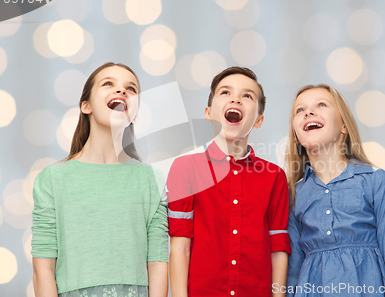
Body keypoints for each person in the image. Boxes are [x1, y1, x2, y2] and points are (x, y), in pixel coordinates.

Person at [31, 62, 168, 297]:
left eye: (131, 89)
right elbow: (43, 268)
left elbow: (157, 264)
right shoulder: (52, 179)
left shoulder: (151, 180)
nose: (122, 91)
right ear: (86, 106)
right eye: (108, 84)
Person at [168, 66, 291, 297]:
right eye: (225, 92)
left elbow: (278, 248)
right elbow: (180, 247)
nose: (236, 98)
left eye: (247, 95)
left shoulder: (274, 177)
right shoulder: (186, 169)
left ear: (259, 120)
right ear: (207, 112)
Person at [285, 84, 385, 297]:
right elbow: (292, 273)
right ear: (296, 134)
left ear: (343, 125)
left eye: (321, 104)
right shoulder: (293, 195)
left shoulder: (375, 181)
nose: (308, 112)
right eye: (300, 110)